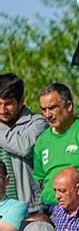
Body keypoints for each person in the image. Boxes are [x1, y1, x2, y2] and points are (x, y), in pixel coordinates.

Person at [0, 74, 48, 206]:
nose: (2, 110)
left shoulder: (38, 123)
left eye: (8, 104)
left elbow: (23, 146)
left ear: (21, 101)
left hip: (31, 208)